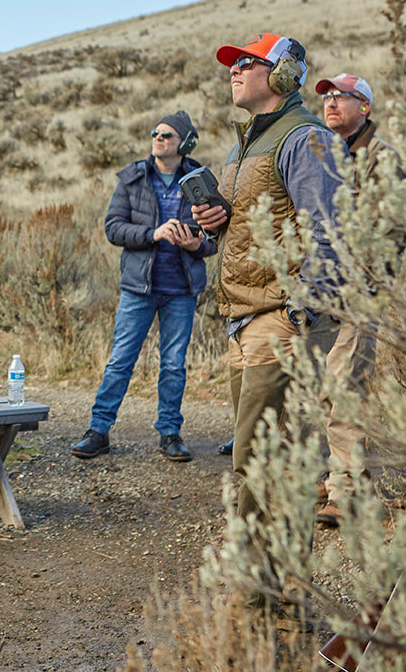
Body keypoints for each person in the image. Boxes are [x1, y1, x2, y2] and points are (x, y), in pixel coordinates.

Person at [189, 34, 342, 578]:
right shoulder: (243, 147)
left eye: (246, 63)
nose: (234, 71)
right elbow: (255, 227)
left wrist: (302, 313)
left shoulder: (305, 138)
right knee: (262, 459)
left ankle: (270, 597)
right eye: (232, 64)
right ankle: (272, 591)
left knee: (267, 461)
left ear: (282, 74)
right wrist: (211, 232)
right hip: (245, 319)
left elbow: (328, 231)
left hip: (281, 319)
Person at [72, 111, 217, 462]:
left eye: (167, 135)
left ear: (184, 142)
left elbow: (214, 237)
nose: (158, 138)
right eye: (155, 133)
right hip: (139, 287)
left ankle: (170, 434)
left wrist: (196, 245)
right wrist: (152, 234)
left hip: (180, 288)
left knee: (173, 364)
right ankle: (98, 430)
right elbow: (113, 228)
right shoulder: (133, 178)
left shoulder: (201, 182)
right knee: (121, 360)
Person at [313, 73, 406, 528]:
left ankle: (348, 492)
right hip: (317, 291)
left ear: (365, 107)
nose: (331, 104)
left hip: (358, 293)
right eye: (328, 98)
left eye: (342, 98)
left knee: (343, 387)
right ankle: (331, 475)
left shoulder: (383, 159)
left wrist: (365, 285)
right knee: (314, 387)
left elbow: (391, 231)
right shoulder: (320, 156)